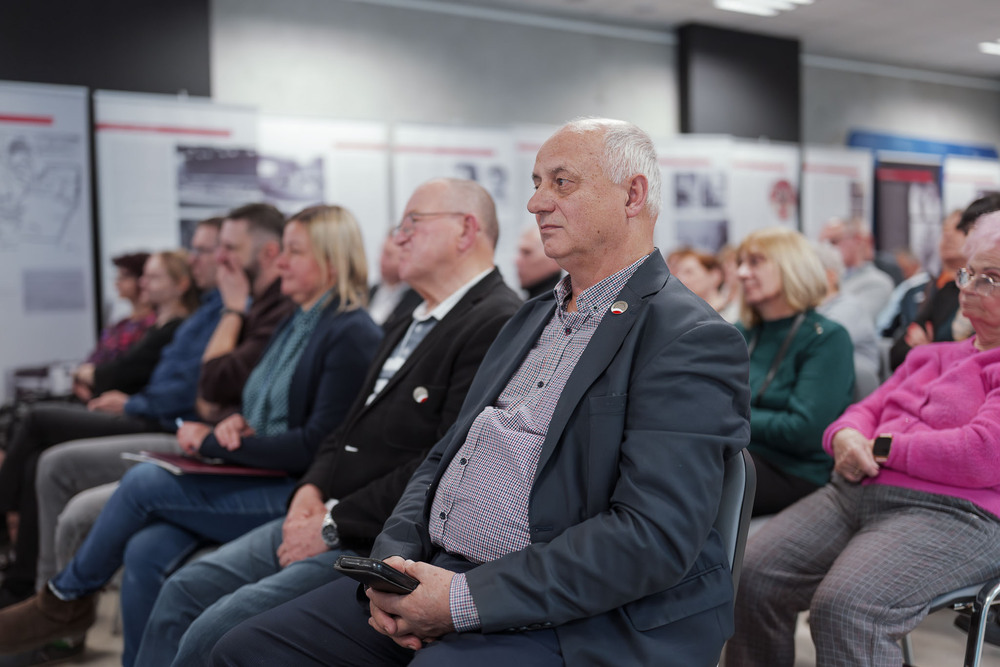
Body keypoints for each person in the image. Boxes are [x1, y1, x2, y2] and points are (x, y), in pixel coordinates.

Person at [210, 118, 750, 667]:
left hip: (582, 615)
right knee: (244, 649)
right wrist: (394, 566)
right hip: (443, 573)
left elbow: (651, 537)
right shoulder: (530, 316)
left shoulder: (690, 337)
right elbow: (443, 458)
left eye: (561, 183)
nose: (536, 202)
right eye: (538, 182)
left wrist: (463, 602)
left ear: (633, 194)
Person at [136, 178, 522, 667]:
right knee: (183, 588)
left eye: (411, 224)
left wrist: (333, 523)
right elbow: (347, 427)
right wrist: (311, 489)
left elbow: (444, 464)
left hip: (376, 536)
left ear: (465, 231)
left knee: (216, 633)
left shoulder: (495, 321)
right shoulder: (414, 317)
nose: (397, 237)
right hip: (323, 509)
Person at [0, 205, 382, 665]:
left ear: (332, 261)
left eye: (294, 252)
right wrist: (238, 421)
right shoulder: (295, 321)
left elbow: (316, 444)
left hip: (289, 488)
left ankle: (63, 600)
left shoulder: (350, 331)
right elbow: (259, 405)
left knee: (143, 483)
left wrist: (213, 442)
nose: (279, 262)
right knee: (144, 550)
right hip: (256, 468)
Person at [725, 211, 1000, 667]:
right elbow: (861, 411)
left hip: (956, 512)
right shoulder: (932, 355)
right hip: (854, 489)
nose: (967, 287)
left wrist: (881, 448)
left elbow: (982, 454)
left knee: (848, 610)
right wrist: (845, 437)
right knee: (751, 576)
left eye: (991, 279)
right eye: (971, 273)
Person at [0, 249, 202, 608]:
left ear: (181, 284)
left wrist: (119, 395)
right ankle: (23, 584)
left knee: (34, 421)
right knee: (34, 459)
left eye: (153, 277)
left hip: (148, 418)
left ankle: (36, 581)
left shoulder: (182, 326)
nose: (142, 283)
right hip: (135, 408)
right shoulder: (150, 325)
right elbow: (110, 369)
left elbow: (126, 377)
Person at [735, 227, 854, 515]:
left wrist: (727, 418)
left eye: (755, 262)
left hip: (794, 470)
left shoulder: (826, 338)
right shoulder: (741, 332)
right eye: (741, 262)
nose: (741, 273)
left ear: (791, 267)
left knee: (683, 480)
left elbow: (804, 431)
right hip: (739, 455)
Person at [888, 194, 1000, 370]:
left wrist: (930, 352)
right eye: (966, 230)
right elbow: (897, 352)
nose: (971, 237)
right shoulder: (950, 289)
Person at [813, 241, 880, 383]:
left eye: (807, 272)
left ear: (830, 276)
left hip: (850, 388)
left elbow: (820, 342)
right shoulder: (815, 308)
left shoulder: (849, 306)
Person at [79, 252, 155, 368]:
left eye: (124, 277)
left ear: (142, 279)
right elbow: (93, 360)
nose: (117, 283)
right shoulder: (120, 325)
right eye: (118, 277)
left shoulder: (154, 325)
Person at [819, 217, 894, 323]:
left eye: (833, 241)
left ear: (857, 240)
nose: (826, 249)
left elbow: (846, 322)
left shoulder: (877, 283)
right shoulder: (826, 279)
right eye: (822, 243)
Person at [667, 246, 738, 322]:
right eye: (678, 273)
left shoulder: (735, 315)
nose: (681, 279)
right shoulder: (682, 317)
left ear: (714, 275)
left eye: (689, 272)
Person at [368, 233, 421, 330]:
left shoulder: (415, 301)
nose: (381, 260)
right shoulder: (369, 291)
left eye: (389, 255)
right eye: (382, 253)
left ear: (405, 258)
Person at [515, 224, 561, 298]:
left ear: (554, 257)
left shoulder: (561, 306)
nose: (517, 261)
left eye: (527, 253)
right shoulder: (531, 305)